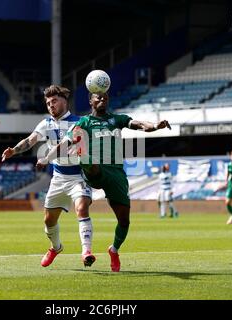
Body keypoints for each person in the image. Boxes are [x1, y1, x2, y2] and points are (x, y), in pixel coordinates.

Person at [37, 91, 171, 272]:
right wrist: (47, 159)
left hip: (116, 174)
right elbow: (63, 144)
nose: (102, 99)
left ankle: (114, 250)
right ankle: (82, 154)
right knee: (89, 162)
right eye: (98, 97)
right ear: (91, 101)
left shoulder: (117, 120)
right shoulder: (84, 122)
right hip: (95, 170)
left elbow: (139, 125)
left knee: (124, 221)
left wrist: (155, 125)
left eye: (106, 97)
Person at [1, 85, 95, 267]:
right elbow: (30, 140)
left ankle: (86, 252)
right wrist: (14, 150)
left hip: (78, 176)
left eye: (54, 101)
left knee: (82, 208)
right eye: (48, 103)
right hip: (58, 178)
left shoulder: (79, 121)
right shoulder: (46, 124)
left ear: (64, 102)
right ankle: (56, 247)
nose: (51, 105)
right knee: (48, 220)